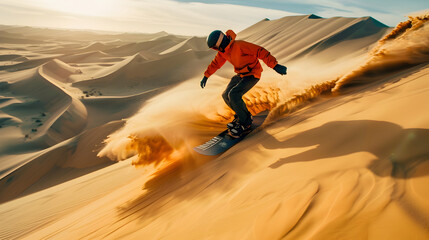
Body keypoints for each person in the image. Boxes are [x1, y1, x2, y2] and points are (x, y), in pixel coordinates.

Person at [200, 29, 287, 138]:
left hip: (252, 74)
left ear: (220, 43)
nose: (216, 50)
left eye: (215, 47)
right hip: (241, 75)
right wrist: (206, 75)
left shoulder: (240, 45)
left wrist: (275, 65)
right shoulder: (223, 52)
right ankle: (242, 117)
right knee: (225, 95)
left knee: (234, 94)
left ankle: (245, 123)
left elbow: (260, 51)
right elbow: (215, 64)